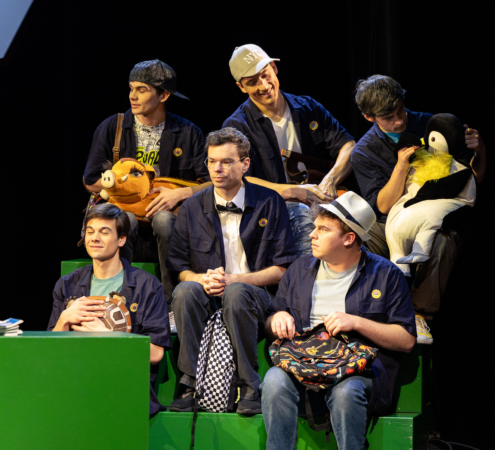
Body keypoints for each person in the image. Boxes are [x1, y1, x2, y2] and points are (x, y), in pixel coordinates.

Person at [261, 192, 416, 450]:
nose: (312, 235)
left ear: (348, 238)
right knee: (274, 381)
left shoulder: (386, 274)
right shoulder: (298, 270)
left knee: (346, 392)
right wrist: (277, 317)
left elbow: (407, 340)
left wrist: (357, 322)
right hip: (304, 364)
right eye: (315, 227)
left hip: (358, 371)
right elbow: (269, 325)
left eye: (323, 229)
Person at [167, 128, 296, 415]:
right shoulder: (191, 208)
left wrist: (235, 280)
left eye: (226, 161)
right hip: (208, 294)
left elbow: (281, 269)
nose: (217, 168)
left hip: (255, 296)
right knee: (185, 291)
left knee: (236, 292)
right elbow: (180, 269)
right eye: (212, 161)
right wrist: (200, 279)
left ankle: (249, 386)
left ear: (245, 164)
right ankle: (190, 385)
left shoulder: (269, 203)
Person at [350, 74, 487, 343]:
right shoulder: (364, 151)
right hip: (390, 220)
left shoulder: (431, 123)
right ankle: (369, 312)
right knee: (354, 238)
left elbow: (476, 177)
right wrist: (401, 165)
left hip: (434, 215)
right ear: (369, 117)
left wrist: (480, 150)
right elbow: (383, 206)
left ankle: (419, 314)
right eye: (389, 118)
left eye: (400, 111)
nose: (399, 121)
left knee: (442, 241)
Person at [83, 59, 211, 327]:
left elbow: (212, 183)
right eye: (131, 88)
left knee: (164, 219)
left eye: (142, 90)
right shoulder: (113, 127)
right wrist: (123, 191)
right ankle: (120, 305)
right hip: (126, 216)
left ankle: (171, 307)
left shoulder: (188, 132)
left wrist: (179, 194)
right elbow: (90, 180)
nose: (133, 96)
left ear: (164, 95)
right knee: (124, 219)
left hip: (167, 220)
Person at [223, 44, 356, 257]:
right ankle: (310, 275)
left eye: (265, 75)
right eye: (252, 82)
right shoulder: (237, 126)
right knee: (301, 215)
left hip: (319, 200)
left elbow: (348, 146)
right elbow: (239, 180)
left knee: (359, 219)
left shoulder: (308, 107)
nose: (264, 85)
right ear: (241, 87)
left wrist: (330, 180)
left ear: (274, 68)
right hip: (273, 207)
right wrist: (292, 192)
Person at [48, 203, 171, 416]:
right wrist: (64, 319)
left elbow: (155, 353)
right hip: (75, 380)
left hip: (123, 382)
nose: (94, 238)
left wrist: (108, 336)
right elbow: (50, 350)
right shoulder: (67, 285)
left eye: (104, 232)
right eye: (90, 232)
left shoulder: (147, 286)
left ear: (121, 239)